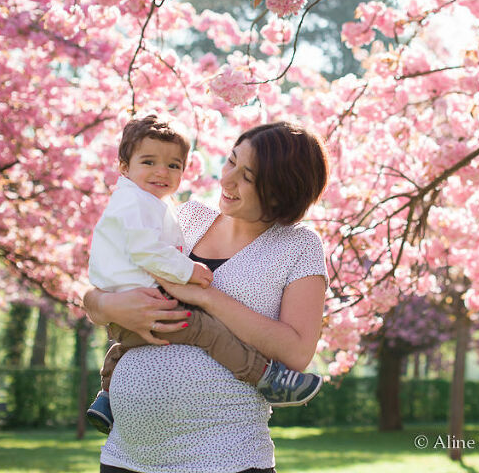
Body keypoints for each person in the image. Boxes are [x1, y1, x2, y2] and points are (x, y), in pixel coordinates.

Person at [83, 121, 329, 473]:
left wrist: (207, 297)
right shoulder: (187, 216)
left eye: (248, 176)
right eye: (231, 161)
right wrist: (105, 305)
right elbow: (106, 277)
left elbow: (296, 352)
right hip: (126, 456)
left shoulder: (298, 246)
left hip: (225, 459)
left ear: (280, 191)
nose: (226, 180)